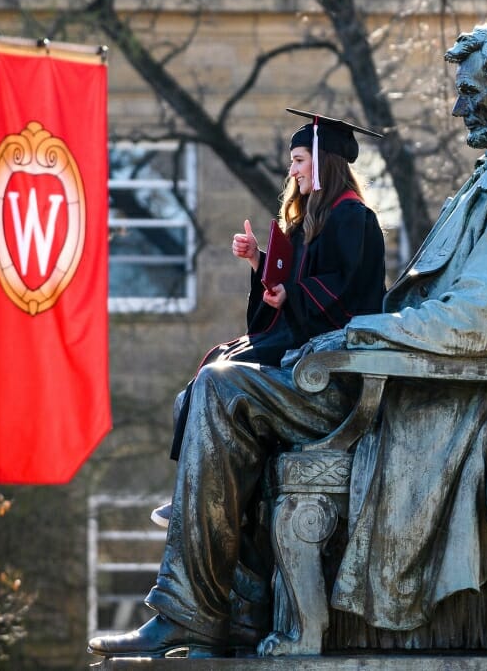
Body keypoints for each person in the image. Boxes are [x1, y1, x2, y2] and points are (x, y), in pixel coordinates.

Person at [88, 19, 487, 658]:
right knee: (223, 377)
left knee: (222, 390)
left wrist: (355, 331)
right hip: (397, 377)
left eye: (470, 91)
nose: (458, 106)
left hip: (419, 405)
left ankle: (190, 613)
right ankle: (230, 615)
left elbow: (476, 323)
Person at [151, 109, 387, 525]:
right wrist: (260, 261)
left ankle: (212, 495)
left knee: (220, 376)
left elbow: (347, 286)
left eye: (298, 159)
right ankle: (194, 488)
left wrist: (290, 295)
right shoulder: (307, 219)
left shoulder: (354, 218)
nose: (291, 169)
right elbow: (288, 279)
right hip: (294, 328)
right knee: (213, 361)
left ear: (322, 160)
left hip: (323, 342)